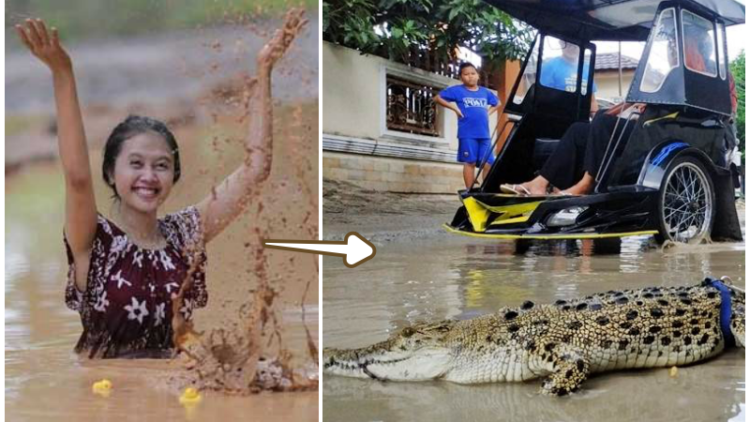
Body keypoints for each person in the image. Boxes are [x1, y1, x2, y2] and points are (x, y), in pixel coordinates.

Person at [14, 11, 307, 359]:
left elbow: (256, 169)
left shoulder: (184, 234)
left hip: (177, 396)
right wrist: (63, 74)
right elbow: (77, 178)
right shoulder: (94, 241)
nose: (149, 176)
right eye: (135, 164)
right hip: (108, 400)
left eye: (162, 166)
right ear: (110, 173)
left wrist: (263, 72)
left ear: (173, 176)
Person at [434, 63, 501, 189]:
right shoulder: (458, 91)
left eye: (473, 73)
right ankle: (470, 190)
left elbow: (497, 103)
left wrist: (488, 112)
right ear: (461, 77)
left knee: (488, 163)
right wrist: (454, 108)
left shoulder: (485, 92)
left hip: (484, 134)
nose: (470, 76)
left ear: (478, 76)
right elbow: (437, 98)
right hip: (467, 133)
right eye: (466, 74)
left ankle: (485, 190)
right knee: (470, 161)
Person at [540, 40, 599, 117]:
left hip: (580, 121)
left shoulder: (587, 68)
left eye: (575, 44)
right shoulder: (550, 67)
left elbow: (592, 101)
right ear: (560, 43)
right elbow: (543, 101)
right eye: (568, 43)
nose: (572, 47)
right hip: (557, 120)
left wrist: (596, 120)